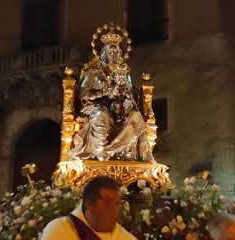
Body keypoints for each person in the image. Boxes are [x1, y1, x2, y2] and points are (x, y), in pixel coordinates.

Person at [68, 24, 154, 162]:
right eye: (110, 52)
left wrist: (124, 97)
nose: (113, 55)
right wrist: (102, 92)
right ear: (104, 53)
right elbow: (84, 96)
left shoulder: (123, 73)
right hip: (96, 106)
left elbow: (129, 92)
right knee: (102, 114)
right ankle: (101, 151)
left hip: (118, 106)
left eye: (116, 52)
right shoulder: (94, 72)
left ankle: (131, 155)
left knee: (135, 115)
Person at [41, 176, 137, 240]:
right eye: (108, 203)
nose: (114, 211)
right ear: (89, 204)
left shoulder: (126, 238)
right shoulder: (60, 230)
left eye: (116, 204)